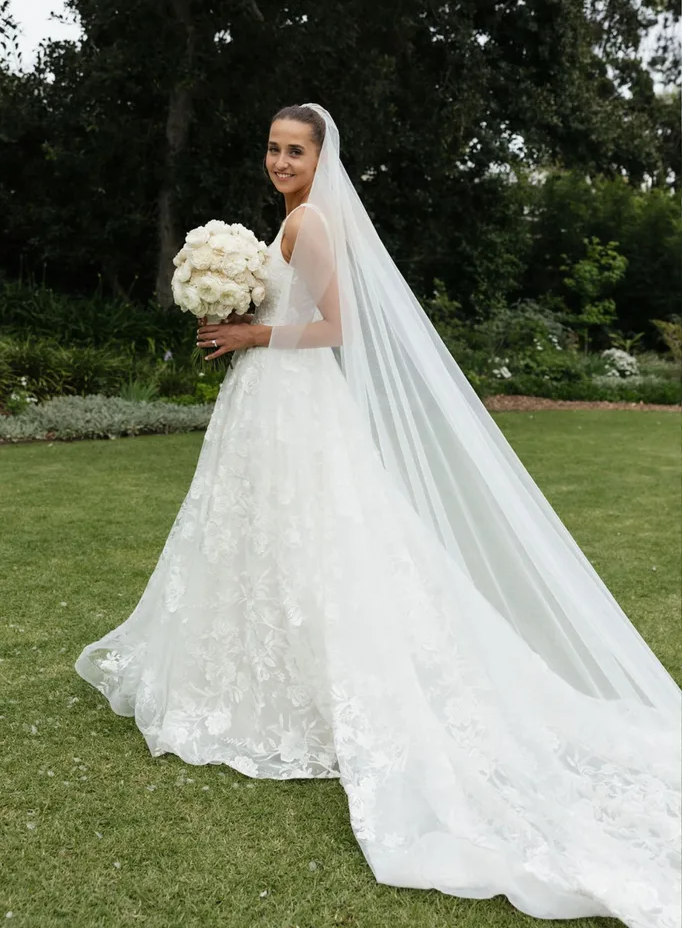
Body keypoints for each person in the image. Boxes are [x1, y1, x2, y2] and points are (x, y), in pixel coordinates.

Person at [75, 104, 681, 928]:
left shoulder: (313, 224)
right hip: (269, 402)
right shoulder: (292, 220)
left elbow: (332, 328)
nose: (280, 161)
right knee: (266, 538)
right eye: (273, 148)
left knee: (319, 539)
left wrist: (250, 333)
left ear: (320, 159)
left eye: (295, 151)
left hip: (295, 398)